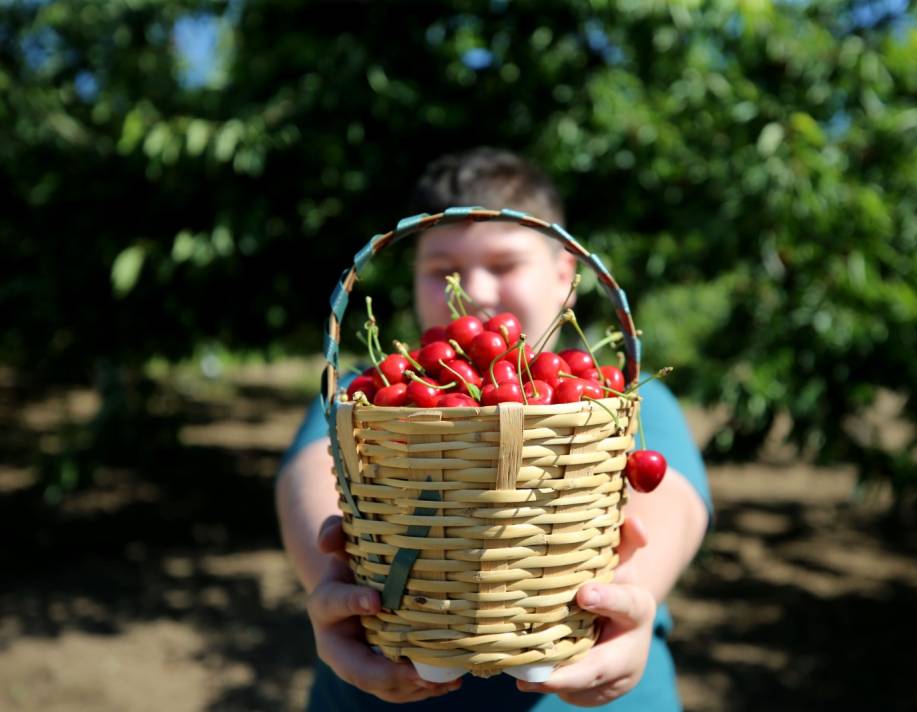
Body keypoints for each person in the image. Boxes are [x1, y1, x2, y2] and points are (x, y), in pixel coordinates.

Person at [276, 147, 713, 710]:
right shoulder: (366, 395)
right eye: (442, 272)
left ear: (565, 278)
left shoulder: (617, 398)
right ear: (412, 280)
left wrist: (632, 594)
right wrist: (338, 587)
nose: (476, 291)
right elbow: (311, 475)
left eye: (504, 265)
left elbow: (673, 503)